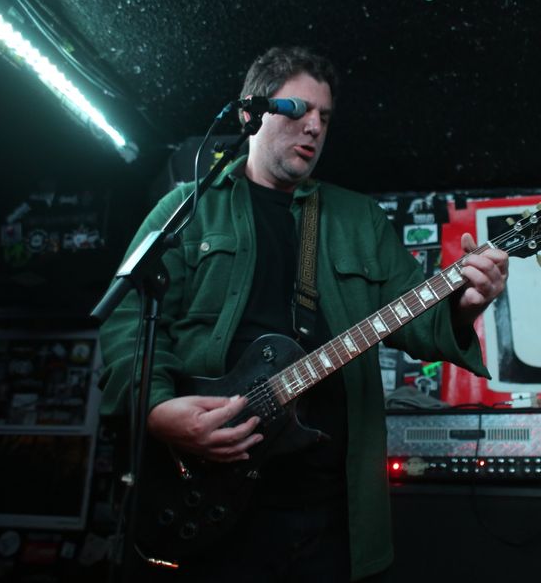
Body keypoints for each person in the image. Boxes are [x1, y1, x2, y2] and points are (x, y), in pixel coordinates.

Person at [99, 46, 509, 582]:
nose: (314, 126)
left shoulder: (358, 219)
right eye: (298, 109)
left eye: (325, 117)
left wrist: (466, 304)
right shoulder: (186, 209)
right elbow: (128, 322)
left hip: (325, 511)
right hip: (202, 491)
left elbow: (418, 317)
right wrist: (157, 411)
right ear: (251, 112)